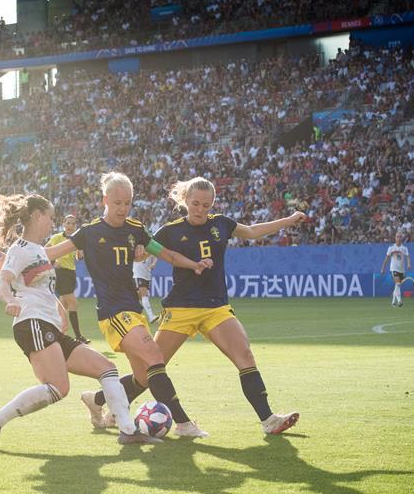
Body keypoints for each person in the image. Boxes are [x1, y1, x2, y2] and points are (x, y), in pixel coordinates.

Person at [85, 177, 303, 435]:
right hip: (180, 309)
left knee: (245, 356)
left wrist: (288, 220)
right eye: (196, 203)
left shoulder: (222, 224)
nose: (200, 209)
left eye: (206, 205)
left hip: (216, 308)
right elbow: (143, 248)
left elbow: (253, 231)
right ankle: (99, 400)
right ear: (185, 200)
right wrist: (140, 252)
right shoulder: (170, 230)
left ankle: (269, 420)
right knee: (148, 372)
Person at [0, 190, 159, 449]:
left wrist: (60, 310)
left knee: (107, 368)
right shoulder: (21, 249)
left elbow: (43, 288)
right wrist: (10, 301)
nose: (52, 223)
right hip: (32, 322)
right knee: (59, 387)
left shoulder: (39, 251)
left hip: (47, 324)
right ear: (37, 216)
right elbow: (2, 281)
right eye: (50, 217)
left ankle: (128, 430)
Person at [38, 172, 214, 438]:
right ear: (105, 201)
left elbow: (167, 254)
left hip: (133, 310)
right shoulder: (89, 232)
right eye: (117, 202)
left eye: (127, 203)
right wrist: (14, 260)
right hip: (113, 312)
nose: (122, 208)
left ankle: (96, 400)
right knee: (155, 357)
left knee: (143, 376)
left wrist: (194, 264)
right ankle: (184, 424)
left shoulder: (135, 230)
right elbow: (50, 254)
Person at [45, 214, 89, 343]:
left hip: (70, 273)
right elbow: (44, 250)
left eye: (73, 224)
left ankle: (58, 334)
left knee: (63, 304)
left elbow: (79, 257)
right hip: (61, 273)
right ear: (63, 224)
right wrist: (53, 263)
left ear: (76, 226)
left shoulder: (76, 239)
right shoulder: (57, 237)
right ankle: (78, 336)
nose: (70, 226)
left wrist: (81, 249)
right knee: (73, 303)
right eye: (68, 223)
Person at [380, 232, 411, 307]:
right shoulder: (391, 248)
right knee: (398, 284)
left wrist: (409, 264)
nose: (399, 238)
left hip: (401, 269)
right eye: (397, 237)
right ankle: (400, 301)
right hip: (393, 268)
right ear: (395, 238)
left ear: (401, 238)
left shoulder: (404, 248)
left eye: (400, 237)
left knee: (397, 286)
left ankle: (393, 302)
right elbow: (386, 259)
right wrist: (382, 268)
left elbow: (407, 257)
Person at [133, 253, 159, 322]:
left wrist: (153, 263)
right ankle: (151, 316)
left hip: (147, 275)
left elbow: (156, 256)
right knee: (145, 294)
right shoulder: (138, 248)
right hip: (138, 274)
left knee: (139, 296)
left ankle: (136, 309)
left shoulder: (150, 247)